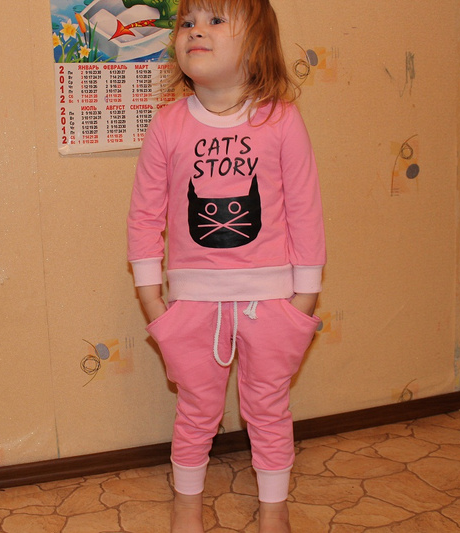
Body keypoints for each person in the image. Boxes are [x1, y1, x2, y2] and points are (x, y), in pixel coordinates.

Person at [126, 0, 326, 531]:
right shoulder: (168, 125)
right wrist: (150, 294)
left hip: (272, 300)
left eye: (215, 20)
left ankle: (274, 507)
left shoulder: (281, 120)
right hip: (192, 299)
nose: (196, 31)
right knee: (196, 408)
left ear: (255, 43)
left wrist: (305, 293)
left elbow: (305, 208)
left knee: (269, 407)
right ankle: (187, 502)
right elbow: (144, 214)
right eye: (187, 22)